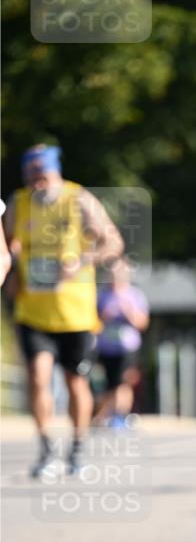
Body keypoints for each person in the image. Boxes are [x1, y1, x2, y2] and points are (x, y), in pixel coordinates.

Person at [3, 144, 123, 477]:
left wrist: (82, 260)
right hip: (33, 310)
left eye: (42, 173)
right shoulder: (19, 202)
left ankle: (78, 448)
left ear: (55, 171)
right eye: (31, 174)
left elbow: (113, 242)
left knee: (75, 383)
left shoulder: (79, 199)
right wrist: (11, 268)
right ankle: (46, 451)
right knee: (38, 378)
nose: (36, 181)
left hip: (76, 313)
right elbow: (5, 242)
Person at [93, 257, 150, 428]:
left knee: (124, 382)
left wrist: (129, 313)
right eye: (112, 273)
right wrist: (105, 315)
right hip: (107, 347)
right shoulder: (102, 295)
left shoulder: (135, 295)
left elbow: (143, 322)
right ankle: (105, 415)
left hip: (127, 346)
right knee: (110, 384)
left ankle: (120, 416)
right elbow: (92, 321)